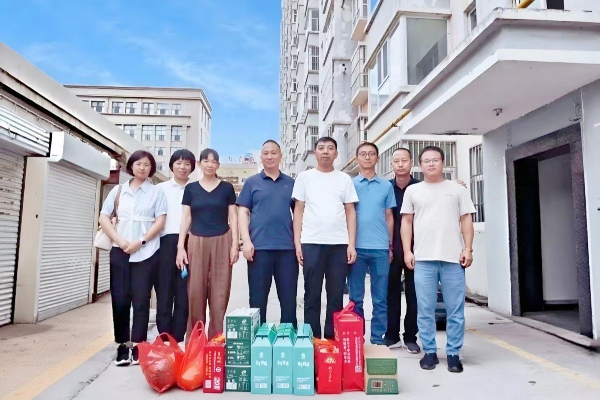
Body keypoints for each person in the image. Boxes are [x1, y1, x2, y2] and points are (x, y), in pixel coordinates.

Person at [400, 146, 475, 373]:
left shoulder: (457, 190)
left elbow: (466, 220)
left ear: (443, 163)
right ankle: (430, 352)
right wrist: (407, 251)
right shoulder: (413, 191)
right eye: (426, 161)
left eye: (435, 160)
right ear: (420, 165)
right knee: (425, 309)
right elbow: (406, 222)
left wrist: (468, 249)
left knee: (455, 310)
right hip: (423, 258)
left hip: (453, 259)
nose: (431, 164)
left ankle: (453, 354)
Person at [99, 150, 167, 366]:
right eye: (138, 164)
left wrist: (141, 242)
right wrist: (120, 241)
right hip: (120, 250)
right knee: (120, 298)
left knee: (141, 299)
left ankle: (138, 345)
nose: (142, 168)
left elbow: (160, 221)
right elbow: (104, 217)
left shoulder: (156, 192)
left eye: (147, 164)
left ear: (151, 168)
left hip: (146, 252)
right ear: (131, 166)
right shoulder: (118, 191)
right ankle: (122, 345)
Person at [292, 137, 358, 339]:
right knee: (311, 295)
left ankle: (331, 340)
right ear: (315, 153)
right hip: (311, 243)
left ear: (336, 154)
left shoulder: (344, 179)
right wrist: (297, 243)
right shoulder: (304, 178)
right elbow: (298, 211)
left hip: (339, 244)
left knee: (335, 296)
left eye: (330, 148)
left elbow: (350, 212)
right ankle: (312, 340)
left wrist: (351, 244)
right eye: (321, 148)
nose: (325, 151)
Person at [176, 148, 239, 341]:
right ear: (200, 164)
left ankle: (216, 341)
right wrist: (180, 247)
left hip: (222, 239)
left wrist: (234, 245)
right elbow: (186, 218)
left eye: (214, 161)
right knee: (195, 292)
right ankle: (195, 342)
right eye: (206, 161)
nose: (210, 165)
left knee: (220, 293)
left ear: (218, 165)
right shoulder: (191, 189)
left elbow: (233, 216)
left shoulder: (227, 188)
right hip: (196, 240)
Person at [237, 140, 298, 327]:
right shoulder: (251, 182)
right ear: (261, 157)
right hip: (258, 249)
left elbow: (299, 214)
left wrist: (298, 244)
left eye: (273, 153)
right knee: (257, 299)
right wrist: (246, 241)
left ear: (280, 156)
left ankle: (288, 337)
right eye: (265, 153)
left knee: (288, 299)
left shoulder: (291, 183)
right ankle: (257, 337)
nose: (269, 156)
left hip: (287, 249)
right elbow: (242, 212)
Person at [348, 142, 396, 345]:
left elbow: (389, 216)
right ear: (357, 158)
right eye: (363, 154)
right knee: (355, 298)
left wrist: (390, 245)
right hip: (356, 248)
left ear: (378, 158)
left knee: (380, 298)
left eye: (371, 154)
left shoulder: (386, 186)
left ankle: (377, 338)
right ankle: (356, 338)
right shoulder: (349, 184)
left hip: (380, 248)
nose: (367, 157)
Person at [155, 149, 195, 343]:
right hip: (164, 243)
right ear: (171, 165)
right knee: (164, 292)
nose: (182, 167)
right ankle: (164, 338)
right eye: (178, 163)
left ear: (192, 167)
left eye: (187, 164)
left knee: (184, 293)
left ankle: (178, 339)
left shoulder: (196, 189)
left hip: (190, 242)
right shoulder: (160, 189)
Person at [385, 148, 421, 354]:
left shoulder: (420, 187)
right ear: (391, 164)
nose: (400, 164)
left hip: (417, 249)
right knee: (390, 293)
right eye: (396, 161)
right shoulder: (386, 188)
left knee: (414, 295)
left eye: (404, 160)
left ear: (411, 162)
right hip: (391, 250)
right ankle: (391, 336)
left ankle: (410, 337)